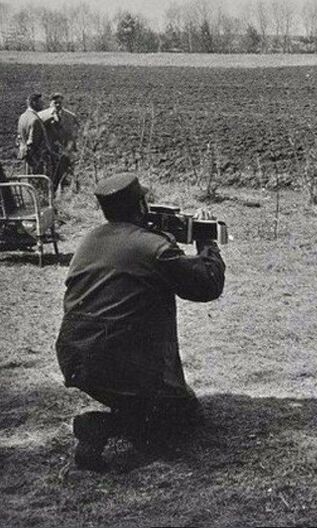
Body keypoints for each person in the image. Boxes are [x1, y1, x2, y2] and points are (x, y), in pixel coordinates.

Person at [55, 173, 226, 471]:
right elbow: (207, 285)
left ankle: (125, 410)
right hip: (123, 363)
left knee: (153, 403)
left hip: (76, 359)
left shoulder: (90, 239)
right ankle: (103, 425)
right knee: (185, 418)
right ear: (142, 205)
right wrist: (206, 242)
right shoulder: (154, 248)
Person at [40, 93, 80, 193]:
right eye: (55, 102)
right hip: (50, 152)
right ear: (50, 103)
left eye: (60, 102)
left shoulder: (70, 117)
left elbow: (74, 134)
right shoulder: (41, 116)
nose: (58, 105)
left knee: (66, 175)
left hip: (66, 151)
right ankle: (50, 197)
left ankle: (67, 195)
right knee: (51, 176)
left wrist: (73, 149)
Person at [16, 93, 51, 175]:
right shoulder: (35, 120)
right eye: (40, 102)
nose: (42, 104)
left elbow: (19, 137)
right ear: (34, 103)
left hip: (26, 159)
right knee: (38, 184)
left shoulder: (22, 117)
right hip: (36, 160)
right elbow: (34, 143)